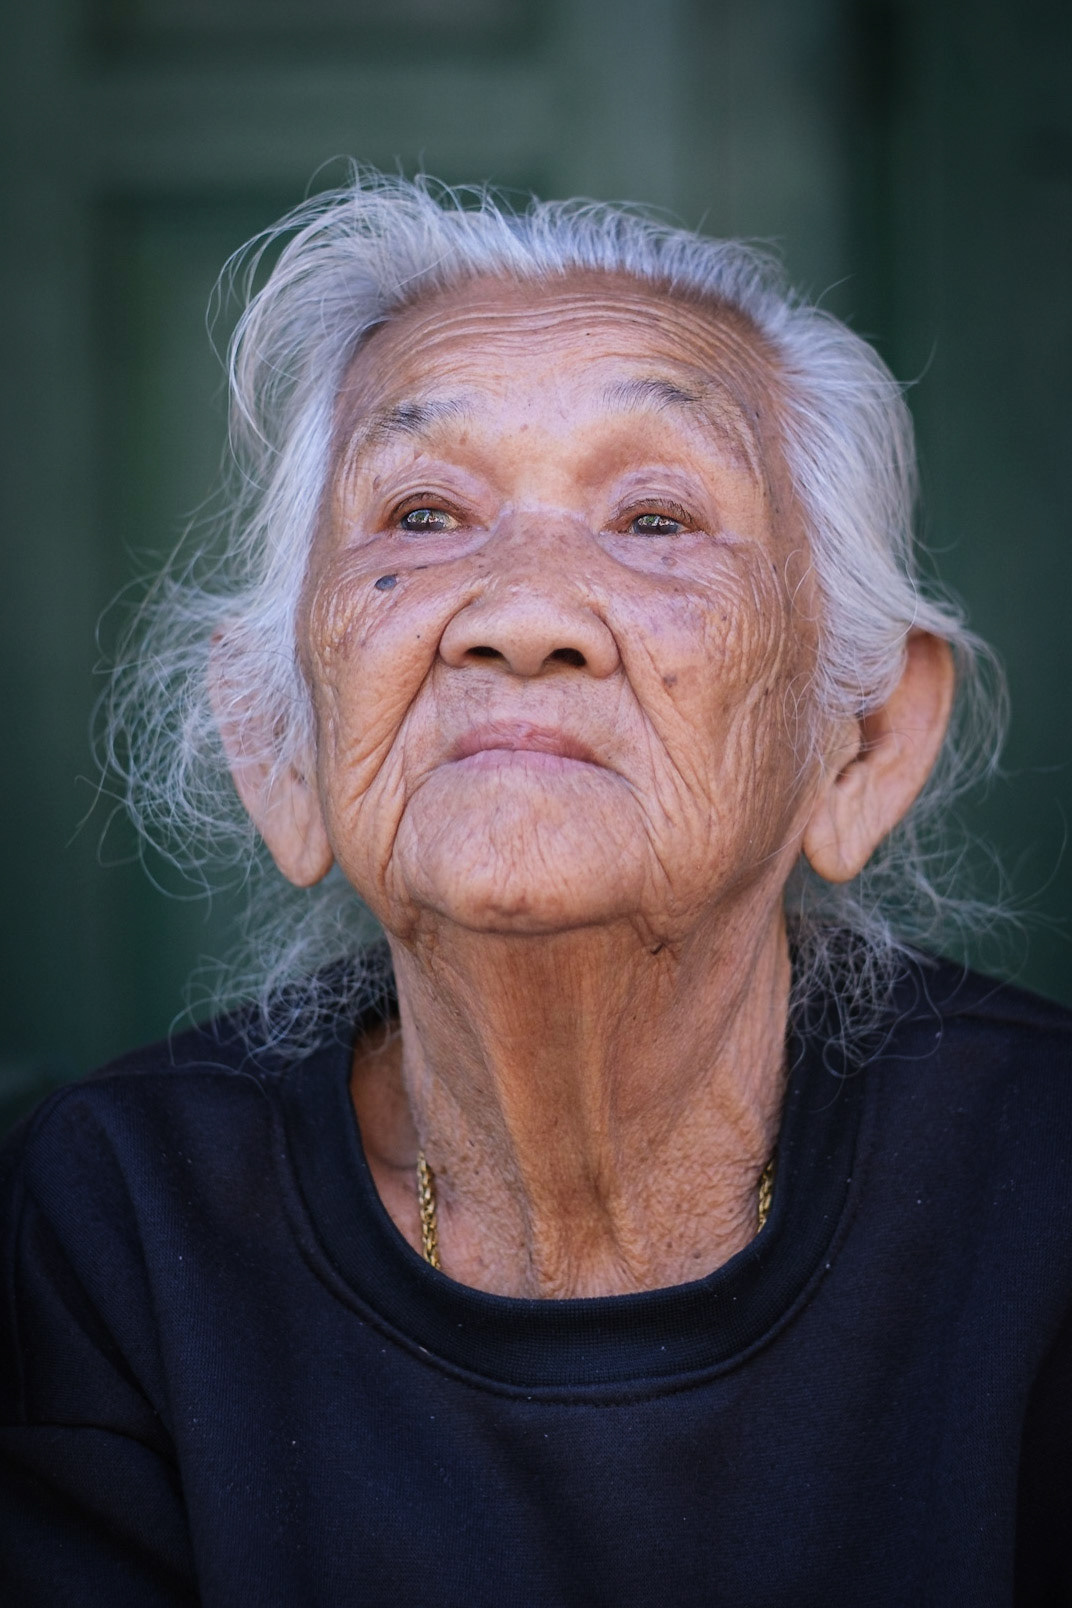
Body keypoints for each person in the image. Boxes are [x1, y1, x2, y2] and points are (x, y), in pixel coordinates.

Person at [1, 171, 1070, 1607]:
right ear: (280, 745)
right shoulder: (112, 1225)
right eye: (426, 514)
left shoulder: (1043, 1193)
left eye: (656, 521)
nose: (521, 614)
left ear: (862, 742)